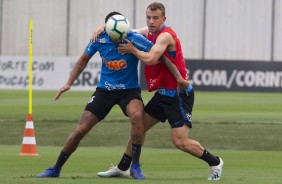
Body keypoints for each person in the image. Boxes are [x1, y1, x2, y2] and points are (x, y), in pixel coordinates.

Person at [96, 2, 224, 181]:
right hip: (163, 93)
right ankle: (123, 167)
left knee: (180, 142)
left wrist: (133, 49)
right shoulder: (149, 31)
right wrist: (105, 27)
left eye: (155, 18)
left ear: (163, 19)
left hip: (178, 94)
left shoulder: (165, 36)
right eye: (148, 17)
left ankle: (215, 162)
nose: (151, 21)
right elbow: (124, 30)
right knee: (138, 127)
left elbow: (151, 58)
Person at [36, 11, 159, 180]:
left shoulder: (132, 37)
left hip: (129, 91)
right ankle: (56, 168)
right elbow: (82, 60)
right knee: (81, 129)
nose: (118, 39)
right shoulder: (99, 38)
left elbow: (156, 52)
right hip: (104, 91)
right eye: (114, 36)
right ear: (107, 30)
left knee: (137, 117)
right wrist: (68, 83)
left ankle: (135, 166)